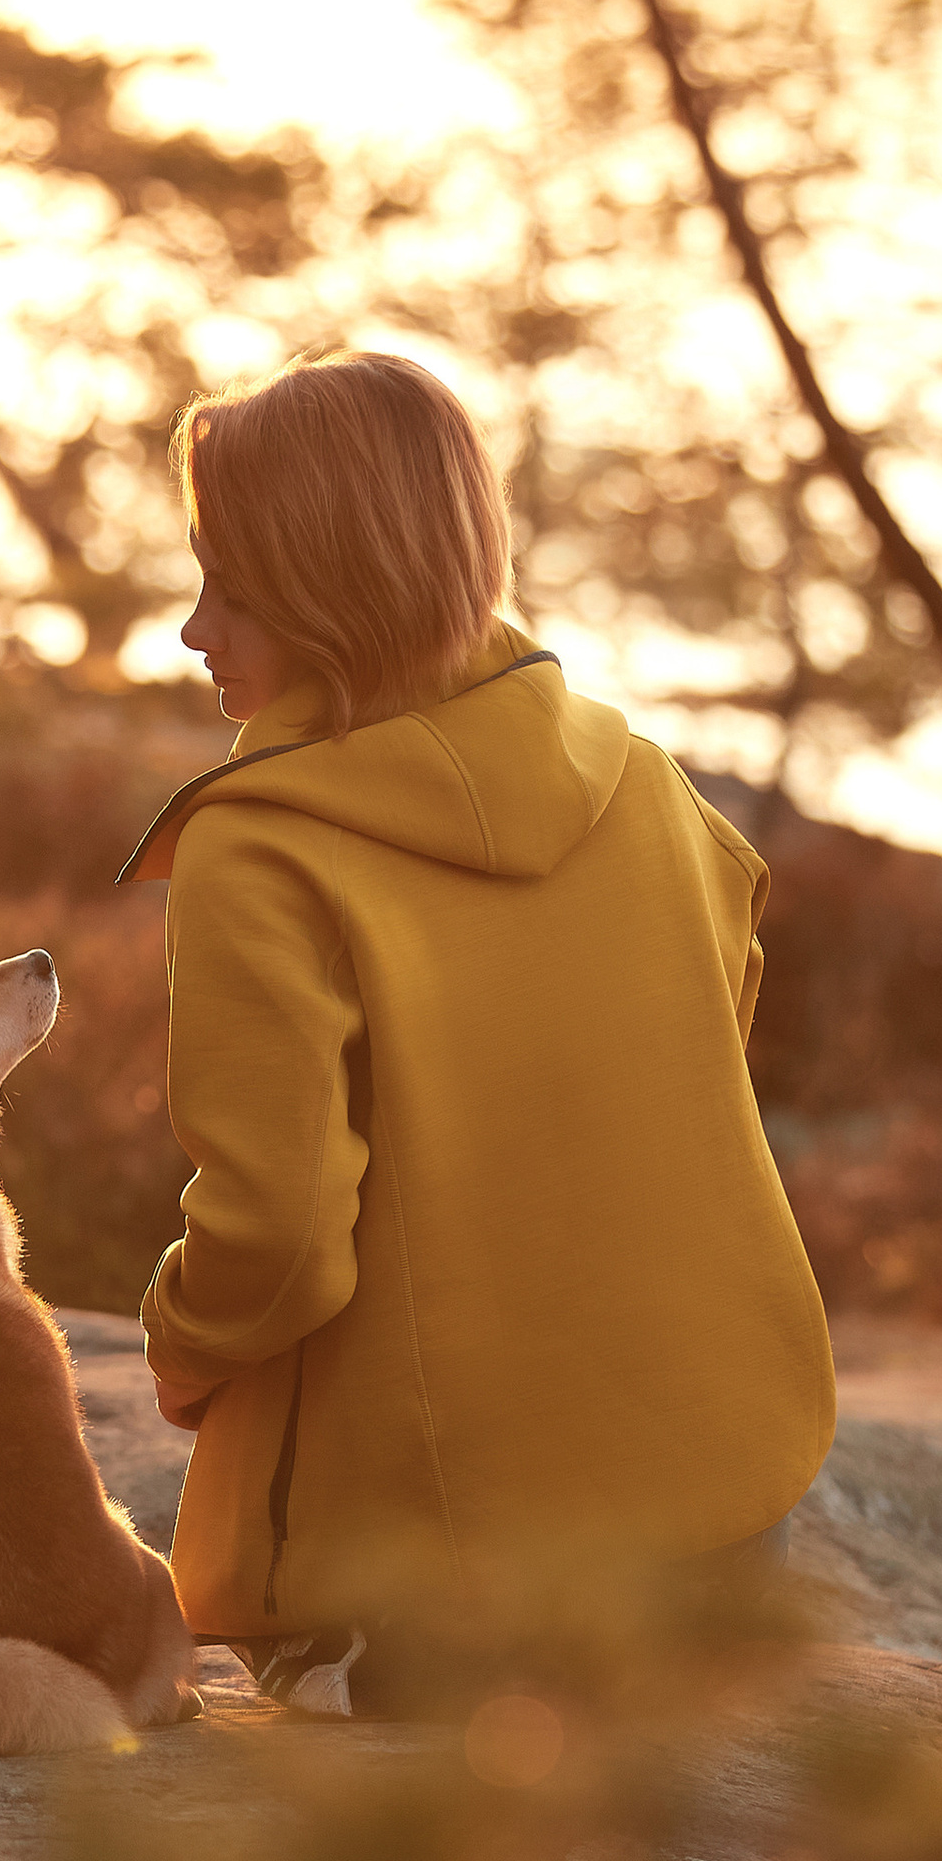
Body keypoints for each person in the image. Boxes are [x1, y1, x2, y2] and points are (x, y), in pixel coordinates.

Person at [120, 351, 833, 1718]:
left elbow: (271, 1237)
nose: (196, 630)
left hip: (450, 1609)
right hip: (740, 1535)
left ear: (333, 585)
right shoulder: (653, 785)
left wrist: (179, 1344)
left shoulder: (260, 844)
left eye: (232, 585)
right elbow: (704, 1055)